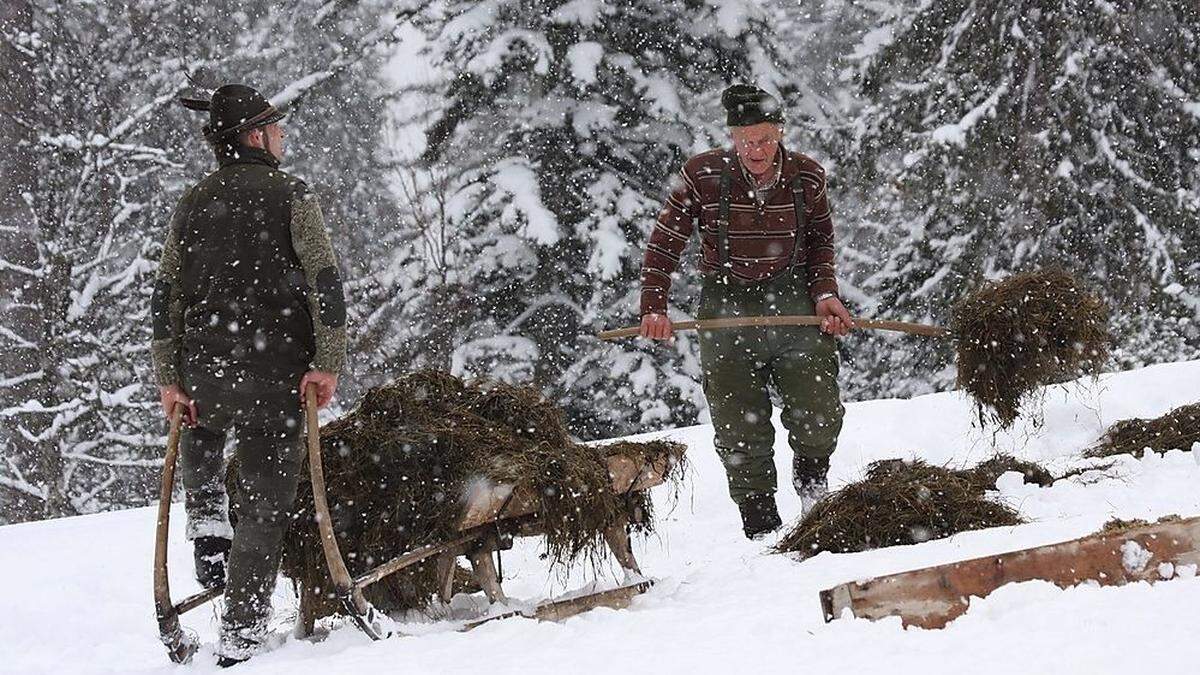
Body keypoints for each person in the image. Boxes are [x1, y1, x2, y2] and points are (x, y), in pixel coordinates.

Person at [150, 83, 346, 666]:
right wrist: (326, 363)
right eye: (276, 127)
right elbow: (325, 285)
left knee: (205, 457)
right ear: (255, 136)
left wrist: (169, 376)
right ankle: (240, 632)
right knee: (264, 508)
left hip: (204, 377)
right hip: (276, 381)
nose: (283, 136)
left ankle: (209, 534)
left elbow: (167, 296)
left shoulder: (193, 202)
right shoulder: (292, 195)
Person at [639, 84, 853, 540]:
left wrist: (824, 294)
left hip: (794, 300)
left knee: (819, 408)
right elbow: (666, 241)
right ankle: (761, 524)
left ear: (780, 132)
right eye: (745, 140)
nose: (755, 150)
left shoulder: (808, 177)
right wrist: (654, 306)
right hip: (725, 304)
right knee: (738, 422)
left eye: (765, 139)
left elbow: (820, 243)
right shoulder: (702, 175)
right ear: (732, 136)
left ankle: (812, 479)